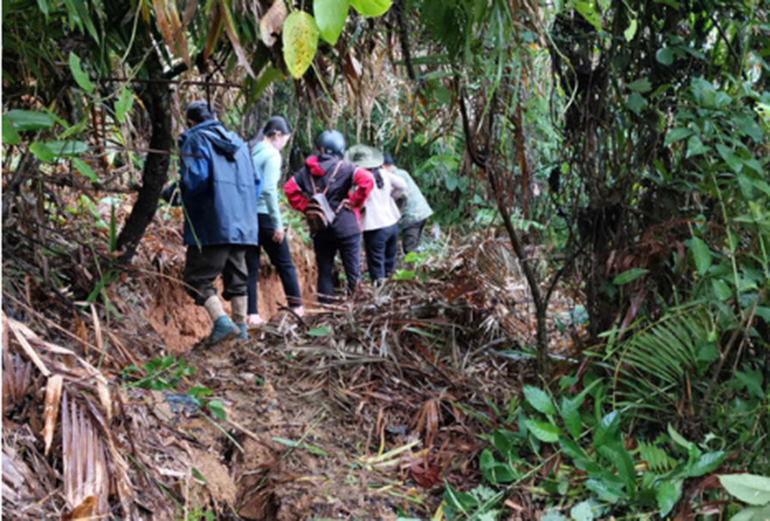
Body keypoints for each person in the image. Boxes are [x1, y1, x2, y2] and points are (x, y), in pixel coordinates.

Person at [163, 101, 260, 344]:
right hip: (243, 225)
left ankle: (222, 322)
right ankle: (241, 330)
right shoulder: (240, 144)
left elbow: (195, 179)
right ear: (215, 116)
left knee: (197, 279)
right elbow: (255, 183)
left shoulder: (195, 140)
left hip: (212, 224)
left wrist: (170, 194)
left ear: (191, 122)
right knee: (238, 278)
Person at [284, 130, 374, 303]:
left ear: (321, 150)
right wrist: (355, 201)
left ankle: (325, 310)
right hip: (347, 227)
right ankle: (355, 310)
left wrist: (306, 207)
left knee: (324, 272)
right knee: (353, 272)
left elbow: (289, 189)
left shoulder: (305, 172)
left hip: (321, 228)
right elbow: (367, 180)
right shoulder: (346, 168)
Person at [246, 116, 304, 328]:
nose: (283, 146)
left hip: (247, 215)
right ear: (277, 135)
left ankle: (252, 314)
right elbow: (269, 190)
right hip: (264, 216)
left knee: (250, 266)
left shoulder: (250, 150)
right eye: (285, 141)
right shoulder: (272, 155)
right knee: (285, 263)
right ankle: (297, 307)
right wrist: (277, 223)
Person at [346, 145, 406, 283]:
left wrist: (359, 207)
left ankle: (379, 296)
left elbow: (359, 200)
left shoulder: (361, 178)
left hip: (375, 226)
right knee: (390, 261)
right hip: (392, 223)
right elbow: (402, 185)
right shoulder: (384, 173)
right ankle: (392, 292)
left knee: (376, 265)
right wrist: (390, 198)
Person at [383, 153, 433, 254]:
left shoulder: (395, 176)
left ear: (383, 166)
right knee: (414, 244)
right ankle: (421, 266)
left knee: (409, 249)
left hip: (412, 216)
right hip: (421, 213)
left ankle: (414, 268)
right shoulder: (402, 172)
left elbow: (402, 194)